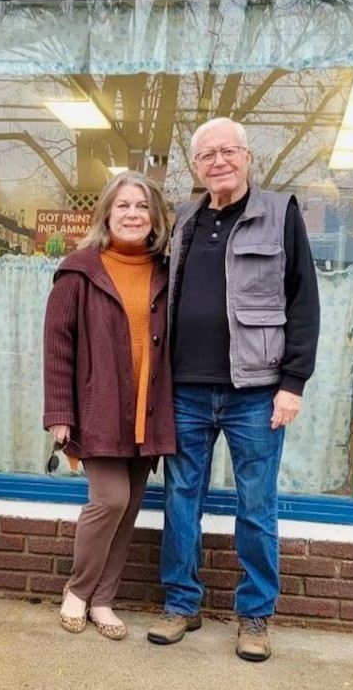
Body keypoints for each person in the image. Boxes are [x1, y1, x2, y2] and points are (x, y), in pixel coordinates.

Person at [148, 117, 319, 662]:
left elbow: (303, 303)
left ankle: (256, 616)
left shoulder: (280, 213)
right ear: (196, 167)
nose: (218, 162)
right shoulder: (184, 219)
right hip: (186, 391)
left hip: (256, 393)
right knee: (180, 501)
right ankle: (181, 604)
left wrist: (292, 383)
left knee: (256, 506)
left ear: (247, 158)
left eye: (228, 152)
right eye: (206, 155)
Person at [43, 170, 175, 641]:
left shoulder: (166, 271)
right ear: (106, 213)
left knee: (130, 506)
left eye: (142, 206)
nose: (133, 214)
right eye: (123, 205)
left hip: (151, 409)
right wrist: (60, 413)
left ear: (155, 216)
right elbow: (58, 344)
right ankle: (77, 591)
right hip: (98, 408)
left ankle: (103, 600)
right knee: (110, 499)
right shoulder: (81, 269)